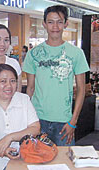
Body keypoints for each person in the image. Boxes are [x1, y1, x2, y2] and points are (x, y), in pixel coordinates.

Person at [23, 5, 89, 146]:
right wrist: (26, 118)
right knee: (36, 163)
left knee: (64, 163)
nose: (55, 26)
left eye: (59, 21)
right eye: (51, 22)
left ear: (66, 23)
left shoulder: (76, 53)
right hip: (37, 119)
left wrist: (73, 121)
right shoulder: (33, 54)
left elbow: (81, 89)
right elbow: (30, 88)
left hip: (64, 121)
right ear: (44, 24)